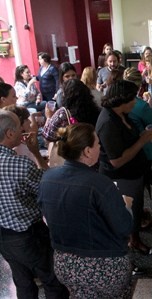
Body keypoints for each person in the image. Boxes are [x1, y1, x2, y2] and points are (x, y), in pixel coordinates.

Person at [37, 123, 133, 298]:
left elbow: (48, 217)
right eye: (97, 143)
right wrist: (127, 206)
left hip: (64, 266)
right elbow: (124, 227)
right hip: (104, 269)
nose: (100, 147)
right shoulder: (99, 184)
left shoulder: (47, 178)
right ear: (87, 151)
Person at [0, 110, 69, 299]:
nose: (24, 129)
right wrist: (37, 154)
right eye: (19, 126)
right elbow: (49, 188)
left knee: (23, 282)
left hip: (4, 237)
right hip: (29, 235)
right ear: (10, 134)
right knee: (52, 280)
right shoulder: (20, 164)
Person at [96, 80, 152, 254]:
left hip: (134, 172)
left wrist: (144, 136)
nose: (136, 101)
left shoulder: (121, 114)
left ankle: (135, 233)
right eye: (133, 98)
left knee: (136, 207)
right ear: (122, 100)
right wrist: (142, 140)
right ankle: (133, 241)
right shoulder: (108, 122)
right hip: (121, 176)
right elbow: (117, 160)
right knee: (127, 212)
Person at [125, 67, 152, 203]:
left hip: (126, 146)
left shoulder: (119, 103)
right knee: (143, 176)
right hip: (143, 148)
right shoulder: (141, 106)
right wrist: (149, 105)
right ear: (139, 85)